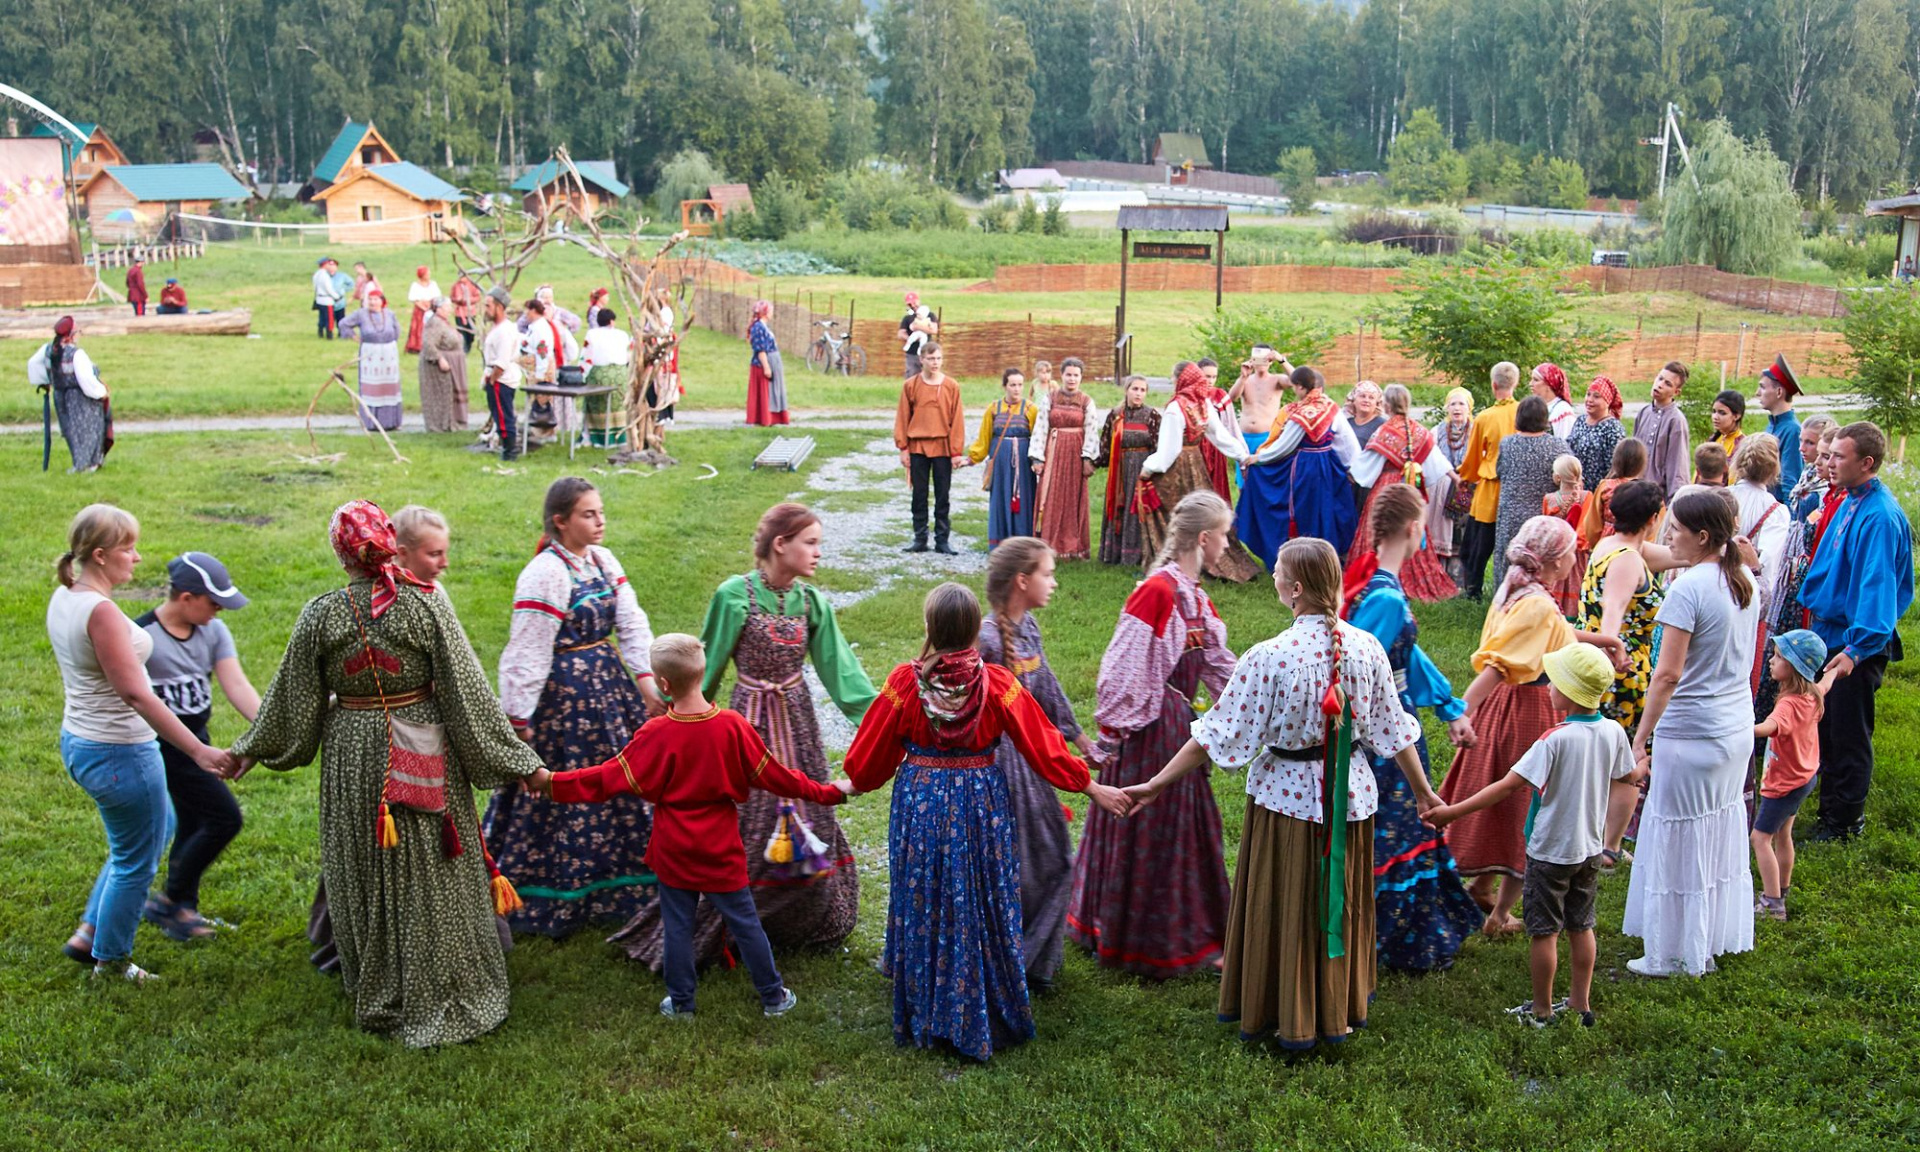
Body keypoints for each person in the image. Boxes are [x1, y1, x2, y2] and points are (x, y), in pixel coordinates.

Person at [233, 501, 546, 1045]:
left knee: (366, 861)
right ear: (386, 543)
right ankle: (443, 977)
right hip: (420, 742)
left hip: (354, 752)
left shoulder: (320, 614)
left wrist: (251, 749)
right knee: (431, 862)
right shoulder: (426, 607)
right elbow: (465, 693)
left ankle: (381, 982)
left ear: (341, 553)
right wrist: (521, 763)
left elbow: (292, 702)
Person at [1126, 537, 1432, 1048]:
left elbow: (1217, 736)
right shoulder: (1367, 648)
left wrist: (1157, 783)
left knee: (1287, 905)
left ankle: (1287, 1011)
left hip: (1287, 805)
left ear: (1294, 589)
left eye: (1276, 574)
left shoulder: (1270, 657)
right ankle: (1336, 1004)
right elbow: (1393, 732)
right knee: (1338, 902)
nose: (1270, 579)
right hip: (1350, 802)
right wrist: (1424, 795)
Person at [842, 583, 1126, 1062]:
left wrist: (850, 783)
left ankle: (930, 1007)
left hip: (922, 800)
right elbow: (1043, 746)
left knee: (927, 893)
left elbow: (867, 760)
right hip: (980, 799)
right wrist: (1091, 785)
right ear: (976, 630)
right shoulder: (998, 683)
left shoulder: (903, 683)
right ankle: (986, 998)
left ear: (929, 628)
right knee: (981, 894)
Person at [610, 503, 875, 972]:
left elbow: (844, 676)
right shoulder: (735, 596)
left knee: (808, 817)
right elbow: (702, 676)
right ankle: (730, 924)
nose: (818, 553)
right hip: (749, 726)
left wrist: (885, 725)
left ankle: (798, 920)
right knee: (748, 829)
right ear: (780, 544)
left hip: (798, 724)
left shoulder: (812, 604)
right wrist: (673, 729)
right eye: (810, 543)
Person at [534, 633, 855, 1020]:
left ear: (664, 685)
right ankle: (773, 997)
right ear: (701, 676)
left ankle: (682, 1002)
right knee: (745, 921)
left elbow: (604, 779)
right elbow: (779, 777)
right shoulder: (733, 727)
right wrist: (828, 792)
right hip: (720, 847)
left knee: (678, 926)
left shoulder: (655, 734)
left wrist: (551, 783)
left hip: (674, 848)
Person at [50, 505, 236, 982]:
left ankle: (90, 932)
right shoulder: (102, 613)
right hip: (119, 751)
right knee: (136, 860)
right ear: (100, 555)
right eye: (128, 548)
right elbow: (135, 693)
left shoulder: (66, 596)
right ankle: (109, 961)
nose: (136, 557)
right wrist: (198, 750)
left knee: (150, 831)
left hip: (81, 740)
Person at [486, 478, 666, 937]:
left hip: (609, 691)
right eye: (589, 514)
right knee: (564, 786)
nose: (600, 520)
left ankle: (628, 884)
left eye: (601, 511)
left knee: (621, 778)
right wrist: (520, 720)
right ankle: (559, 890)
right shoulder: (545, 573)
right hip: (562, 703)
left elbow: (631, 622)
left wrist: (646, 681)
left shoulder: (603, 562)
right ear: (561, 522)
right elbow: (527, 649)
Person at [1068, 492, 1238, 978]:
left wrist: (1249, 710)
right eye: (1223, 535)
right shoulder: (1158, 592)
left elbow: (1219, 667)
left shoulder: (1195, 597)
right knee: (1156, 831)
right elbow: (1122, 672)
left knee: (1184, 829)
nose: (1226, 545)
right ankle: (1147, 941)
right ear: (1203, 539)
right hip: (1149, 730)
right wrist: (1115, 734)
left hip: (1176, 727)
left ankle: (1173, 930)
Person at [1425, 643, 1637, 1027]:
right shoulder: (1613, 731)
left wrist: (1451, 812)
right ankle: (1579, 1003)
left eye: (1553, 681)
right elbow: (1627, 779)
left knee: (1544, 932)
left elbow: (1506, 786)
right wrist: (1612, 837)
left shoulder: (1553, 740)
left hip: (1550, 853)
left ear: (1568, 692)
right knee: (1581, 925)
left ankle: (1540, 1011)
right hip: (1588, 850)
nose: (1548, 688)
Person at [1441, 515, 1624, 935]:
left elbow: (1554, 635)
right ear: (1553, 560)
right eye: (1569, 553)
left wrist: (1604, 641)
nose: (1575, 558)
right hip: (1529, 705)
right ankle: (1500, 914)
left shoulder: (1519, 589)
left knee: (1506, 797)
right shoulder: (1537, 602)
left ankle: (1482, 887)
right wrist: (1460, 712)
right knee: (1531, 802)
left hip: (1508, 705)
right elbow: (1499, 666)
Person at [1342, 485, 1483, 972]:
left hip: (1396, 723)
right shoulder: (1382, 597)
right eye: (1422, 522)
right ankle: (1387, 938)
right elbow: (1361, 672)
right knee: (1393, 826)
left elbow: (1407, 656)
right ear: (1411, 528)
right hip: (1385, 733)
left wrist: (1449, 707)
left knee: (1402, 824)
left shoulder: (1380, 584)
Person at [1622, 491, 1761, 978]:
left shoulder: (1689, 589)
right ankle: (1707, 937)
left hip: (1693, 733)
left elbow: (1667, 676)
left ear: (1703, 537)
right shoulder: (1742, 579)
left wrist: (1641, 740)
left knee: (1679, 840)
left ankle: (1675, 953)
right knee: (1715, 832)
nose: (1668, 535)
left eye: (1677, 528)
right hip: (1734, 728)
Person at [979, 538, 1099, 988]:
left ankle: (1031, 962)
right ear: (1022, 581)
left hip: (1033, 761)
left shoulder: (1027, 628)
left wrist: (1080, 737)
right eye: (1048, 574)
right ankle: (1010, 963)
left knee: (1052, 862)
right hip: (998, 767)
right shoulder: (987, 640)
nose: (1054, 582)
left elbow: (1045, 687)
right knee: (1018, 865)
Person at [1798, 421, 1914, 841]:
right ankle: (1831, 805)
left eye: (1838, 456)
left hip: (1853, 645)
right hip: (1831, 633)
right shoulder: (1849, 500)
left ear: (1866, 463)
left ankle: (1845, 821)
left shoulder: (1879, 517)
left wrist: (1857, 648)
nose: (1829, 463)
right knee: (1827, 726)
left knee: (1848, 733)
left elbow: (1877, 588)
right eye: (1828, 456)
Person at [135, 552, 259, 942]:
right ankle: (169, 901)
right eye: (213, 603)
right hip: (161, 749)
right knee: (224, 818)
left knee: (193, 821)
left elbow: (236, 685)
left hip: (196, 742)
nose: (219, 612)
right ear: (186, 597)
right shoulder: (141, 638)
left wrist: (268, 729)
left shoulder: (213, 632)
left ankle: (182, 907)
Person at [1581, 481, 1673, 865]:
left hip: (1600, 665)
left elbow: (1676, 556)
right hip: (1624, 675)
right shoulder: (1627, 561)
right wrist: (1614, 650)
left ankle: (1596, 838)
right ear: (1653, 519)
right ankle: (1609, 847)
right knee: (1627, 766)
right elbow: (1614, 611)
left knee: (1604, 758)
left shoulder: (1614, 546)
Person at [1139, 362, 1264, 582]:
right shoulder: (1204, 404)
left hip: (1175, 468)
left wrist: (1148, 469)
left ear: (1180, 380)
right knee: (1202, 512)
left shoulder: (1176, 408)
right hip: (1197, 463)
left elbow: (1169, 452)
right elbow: (1220, 436)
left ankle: (1169, 561)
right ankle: (1222, 562)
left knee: (1172, 512)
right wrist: (1242, 456)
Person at [1231, 364, 1360, 572]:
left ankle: (1303, 561)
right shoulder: (1330, 406)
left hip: (1306, 468)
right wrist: (1351, 468)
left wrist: (1258, 458)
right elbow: (1346, 442)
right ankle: (1325, 558)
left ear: (1300, 387)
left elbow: (1284, 446)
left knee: (1304, 512)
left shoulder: (1302, 414)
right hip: (1329, 466)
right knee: (1325, 510)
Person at [1345, 383, 1455, 601]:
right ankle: (1414, 578)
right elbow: (1438, 462)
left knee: (1379, 530)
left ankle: (1374, 576)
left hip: (1387, 487)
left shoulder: (1385, 431)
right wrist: (1456, 478)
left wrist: (1349, 474)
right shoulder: (1419, 429)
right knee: (1410, 529)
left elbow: (1364, 466)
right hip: (1410, 487)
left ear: (1386, 404)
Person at [1751, 630, 1826, 921]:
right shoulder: (1812, 694)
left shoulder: (1788, 704)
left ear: (1793, 667)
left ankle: (1772, 904)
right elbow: (1827, 681)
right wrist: (1834, 670)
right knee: (1784, 834)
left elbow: (1768, 727)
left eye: (1779, 657)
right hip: (1805, 778)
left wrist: (1738, 728)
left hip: (1783, 785)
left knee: (1759, 839)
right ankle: (1782, 890)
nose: (1771, 660)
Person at [894, 343, 968, 555]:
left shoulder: (951, 386)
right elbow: (903, 417)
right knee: (919, 494)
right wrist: (903, 448)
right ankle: (920, 537)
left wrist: (956, 451)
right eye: (931, 358)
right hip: (918, 446)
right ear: (922, 360)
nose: (935, 363)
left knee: (942, 495)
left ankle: (942, 539)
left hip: (943, 447)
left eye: (938, 358)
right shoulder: (911, 385)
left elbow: (957, 420)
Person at [1492, 395, 1571, 591]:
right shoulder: (1558, 447)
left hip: (1510, 516)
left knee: (1508, 564)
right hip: (1542, 519)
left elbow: (1499, 472)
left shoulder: (1507, 444)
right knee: (1540, 569)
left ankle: (1505, 606)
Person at [1459, 361, 1521, 598]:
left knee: (1476, 545)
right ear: (1515, 383)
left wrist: (1464, 476)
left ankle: (1472, 590)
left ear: (1494, 384)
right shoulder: (1522, 412)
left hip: (1489, 488)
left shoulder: (1485, 417)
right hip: (1515, 488)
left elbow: (1473, 457)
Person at [1030, 357, 1100, 561]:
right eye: (1068, 374)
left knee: (1073, 497)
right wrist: (1037, 457)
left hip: (1075, 455)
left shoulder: (1087, 401)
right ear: (1061, 376)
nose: (1072, 379)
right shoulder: (1049, 398)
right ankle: (1048, 544)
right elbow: (1041, 427)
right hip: (1053, 452)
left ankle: (1072, 546)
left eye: (1076, 375)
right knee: (1050, 495)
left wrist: (1088, 457)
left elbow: (1091, 430)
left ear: (1081, 377)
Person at [28, 316, 110, 473]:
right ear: (71, 335)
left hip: (60, 396)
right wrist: (101, 393)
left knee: (70, 430)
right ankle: (87, 465)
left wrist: (44, 382)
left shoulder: (48, 350)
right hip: (80, 398)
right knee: (87, 429)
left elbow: (33, 364)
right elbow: (85, 379)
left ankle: (80, 463)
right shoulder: (76, 354)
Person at [968, 368, 1038, 548]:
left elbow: (1038, 438)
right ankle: (1000, 544)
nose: (1016, 389)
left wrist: (1038, 461)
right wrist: (972, 458)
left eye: (1020, 385)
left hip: (1022, 464)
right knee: (1000, 499)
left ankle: (1023, 544)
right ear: (1005, 386)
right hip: (1000, 463)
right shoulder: (993, 409)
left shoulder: (1031, 409)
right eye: (1012, 385)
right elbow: (984, 437)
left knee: (1023, 499)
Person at [1094, 374, 1160, 566]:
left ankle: (1138, 555)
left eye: (1142, 390)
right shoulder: (1115, 414)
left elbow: (1159, 446)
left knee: (1137, 509)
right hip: (1119, 469)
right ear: (1126, 390)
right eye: (1135, 389)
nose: (1138, 393)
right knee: (1119, 507)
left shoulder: (1152, 415)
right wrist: (1094, 463)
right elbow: (1105, 443)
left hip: (1142, 470)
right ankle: (1115, 554)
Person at [337, 290, 403, 432]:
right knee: (372, 388)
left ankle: (391, 421)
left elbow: (397, 331)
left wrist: (390, 344)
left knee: (389, 386)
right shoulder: (361, 314)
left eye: (375, 299)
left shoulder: (390, 314)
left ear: (382, 300)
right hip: (370, 355)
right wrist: (355, 337)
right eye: (370, 299)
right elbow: (343, 324)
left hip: (388, 354)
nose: (372, 302)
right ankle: (371, 422)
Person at [1429, 387, 1475, 583]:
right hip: (1440, 490)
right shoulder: (1437, 431)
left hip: (1466, 487)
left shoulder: (1476, 430)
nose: (1457, 408)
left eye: (1461, 404)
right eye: (1453, 404)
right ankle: (1438, 574)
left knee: (1461, 531)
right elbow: (1429, 457)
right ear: (1447, 408)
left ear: (1469, 407)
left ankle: (1458, 576)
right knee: (1440, 528)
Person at [518, 297, 577, 440]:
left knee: (543, 400)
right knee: (536, 400)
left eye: (527, 311)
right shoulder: (535, 327)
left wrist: (540, 374)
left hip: (541, 370)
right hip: (534, 369)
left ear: (533, 311)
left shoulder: (541, 328)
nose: (526, 315)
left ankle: (547, 432)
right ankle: (538, 430)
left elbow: (542, 351)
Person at [1577, 437, 1647, 551]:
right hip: (1637, 547)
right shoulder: (1647, 491)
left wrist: (1595, 545)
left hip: (1606, 546)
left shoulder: (1605, 487)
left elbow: (1592, 524)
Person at [1634, 360, 1692, 499]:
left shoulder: (1676, 420)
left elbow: (1677, 464)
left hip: (1659, 497)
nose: (1660, 385)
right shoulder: (1643, 413)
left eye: (1668, 384)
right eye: (1660, 379)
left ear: (1676, 392)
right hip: (1636, 491)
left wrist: (1675, 500)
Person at [1542, 455, 1588, 615]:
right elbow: (1586, 528)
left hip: (1555, 554)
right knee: (1577, 586)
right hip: (1578, 554)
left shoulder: (1549, 499)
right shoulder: (1586, 497)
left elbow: (1546, 528)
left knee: (1554, 585)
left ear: (1558, 476)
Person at [481, 286, 522, 462]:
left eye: (488, 305)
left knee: (504, 416)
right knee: (501, 414)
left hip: (501, 379)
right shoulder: (499, 328)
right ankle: (508, 448)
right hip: (497, 376)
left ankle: (510, 451)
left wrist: (493, 378)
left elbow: (502, 361)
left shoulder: (505, 331)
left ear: (499, 307)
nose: (486, 309)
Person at [582, 307, 632, 449]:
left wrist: (583, 374)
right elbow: (628, 354)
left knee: (598, 404)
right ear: (612, 321)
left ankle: (598, 437)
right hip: (620, 374)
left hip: (599, 374)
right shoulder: (622, 335)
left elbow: (586, 355)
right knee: (618, 404)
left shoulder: (591, 334)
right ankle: (619, 436)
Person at [1225, 345, 1287, 461]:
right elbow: (1231, 398)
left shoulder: (1277, 380)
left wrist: (1281, 360)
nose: (1261, 363)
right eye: (1258, 359)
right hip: (1244, 436)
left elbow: (1298, 381)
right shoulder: (1245, 380)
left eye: (1265, 359)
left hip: (1267, 436)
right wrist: (1243, 377)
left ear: (1270, 361)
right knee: (1245, 474)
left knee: (1265, 475)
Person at [417, 296, 469, 433]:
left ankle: (451, 422)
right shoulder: (434, 323)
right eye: (447, 307)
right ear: (439, 309)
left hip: (451, 363)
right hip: (437, 366)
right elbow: (428, 343)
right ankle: (440, 424)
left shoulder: (444, 322)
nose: (450, 310)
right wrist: (439, 359)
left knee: (448, 395)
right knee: (440, 395)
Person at [1755, 355, 1804, 502]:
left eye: (1763, 387)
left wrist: (1789, 521)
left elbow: (1790, 480)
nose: (1757, 393)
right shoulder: (1772, 425)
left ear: (1779, 392)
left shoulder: (1792, 430)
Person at [1567, 375, 1624, 494]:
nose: (1590, 400)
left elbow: (1614, 468)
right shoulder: (1580, 421)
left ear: (1607, 401)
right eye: (1588, 394)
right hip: (1576, 491)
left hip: (1599, 493)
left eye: (1596, 396)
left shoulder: (1613, 428)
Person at [745, 299, 789, 427]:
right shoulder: (758, 327)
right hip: (763, 363)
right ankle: (764, 418)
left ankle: (774, 418)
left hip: (772, 360)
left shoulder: (763, 326)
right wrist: (766, 367)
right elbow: (761, 350)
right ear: (765, 312)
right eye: (770, 310)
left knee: (773, 391)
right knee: (766, 392)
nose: (772, 313)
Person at [1529, 362, 1577, 439]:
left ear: (1549, 384)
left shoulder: (1562, 410)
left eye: (1536, 380)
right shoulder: (1533, 407)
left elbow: (1566, 444)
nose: (1531, 384)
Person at [897, 290, 937, 378]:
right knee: (911, 376)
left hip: (928, 352)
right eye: (910, 304)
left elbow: (934, 330)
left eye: (914, 303)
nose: (913, 306)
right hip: (912, 353)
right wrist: (910, 338)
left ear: (918, 301)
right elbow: (900, 333)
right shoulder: (907, 318)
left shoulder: (930, 315)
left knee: (930, 375)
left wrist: (918, 327)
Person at [515, 284, 580, 333]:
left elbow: (576, 322)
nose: (547, 300)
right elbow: (520, 326)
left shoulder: (559, 312)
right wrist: (530, 334)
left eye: (549, 297)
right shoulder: (532, 313)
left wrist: (565, 334)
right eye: (543, 297)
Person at [405, 266, 440, 355]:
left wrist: (430, 305)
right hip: (420, 309)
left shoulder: (433, 284)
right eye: (427, 274)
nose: (429, 275)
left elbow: (436, 296)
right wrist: (423, 306)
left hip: (431, 307)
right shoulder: (415, 285)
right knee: (419, 327)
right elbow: (414, 299)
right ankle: (417, 346)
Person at [1708, 389, 1746, 463]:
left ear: (1736, 416)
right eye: (1714, 411)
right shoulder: (1714, 439)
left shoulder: (1743, 446)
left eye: (1722, 413)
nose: (1715, 417)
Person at [1346, 380, 1386, 450]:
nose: (1366, 400)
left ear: (1377, 403)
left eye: (1371, 398)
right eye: (1362, 396)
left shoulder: (1382, 426)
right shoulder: (1346, 423)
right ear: (1353, 400)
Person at [449, 272, 482, 350]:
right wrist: (457, 300)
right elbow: (452, 297)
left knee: (470, 331)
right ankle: (464, 347)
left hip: (470, 311)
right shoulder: (456, 285)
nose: (461, 279)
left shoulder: (472, 285)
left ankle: (469, 342)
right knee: (461, 330)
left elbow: (477, 297)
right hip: (459, 312)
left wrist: (468, 300)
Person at [312, 257, 342, 339]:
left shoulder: (317, 274)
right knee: (329, 318)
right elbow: (328, 289)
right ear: (325, 265)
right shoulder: (325, 275)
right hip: (327, 300)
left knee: (322, 317)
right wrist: (337, 297)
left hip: (319, 298)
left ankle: (320, 331)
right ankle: (329, 334)